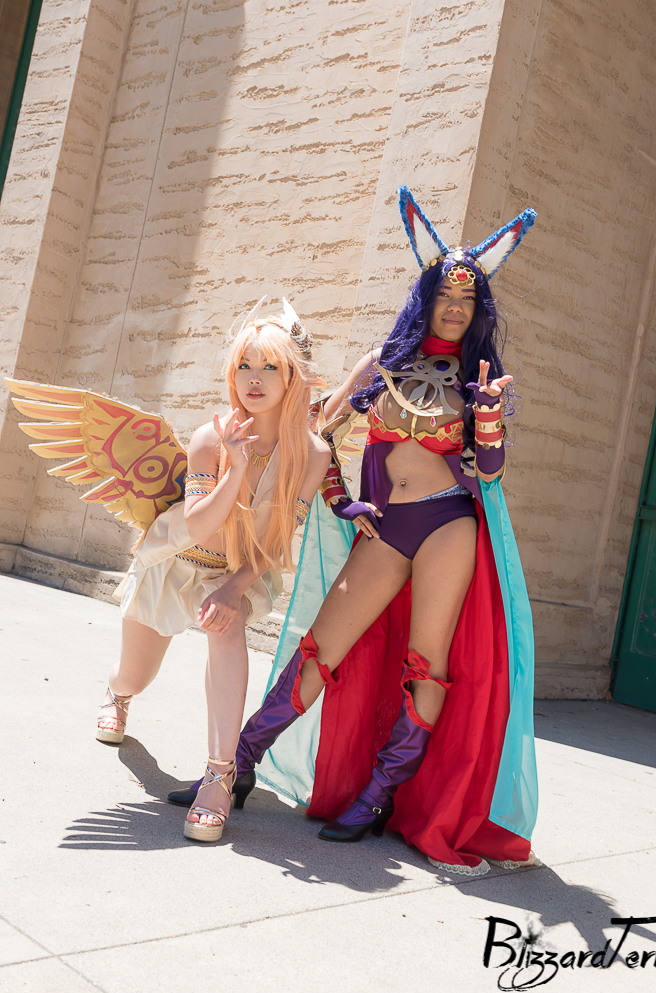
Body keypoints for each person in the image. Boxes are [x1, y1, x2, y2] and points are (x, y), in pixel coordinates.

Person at [171, 188, 539, 874]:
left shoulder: (479, 376)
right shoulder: (382, 362)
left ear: (477, 309)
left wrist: (487, 413)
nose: (454, 308)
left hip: (449, 526)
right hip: (388, 526)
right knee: (321, 648)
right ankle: (236, 766)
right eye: (444, 295)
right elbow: (319, 437)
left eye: (467, 300)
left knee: (427, 663)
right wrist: (343, 502)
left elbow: (489, 471)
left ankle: (376, 798)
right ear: (426, 297)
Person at [95, 300, 330, 842]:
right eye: (244, 365)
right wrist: (236, 466)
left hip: (235, 571)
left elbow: (280, 537)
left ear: (292, 376)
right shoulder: (211, 437)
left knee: (228, 626)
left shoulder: (312, 453)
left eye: (269, 366)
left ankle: (220, 777)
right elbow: (198, 526)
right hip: (176, 561)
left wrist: (235, 587)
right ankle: (117, 695)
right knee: (135, 674)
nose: (254, 378)